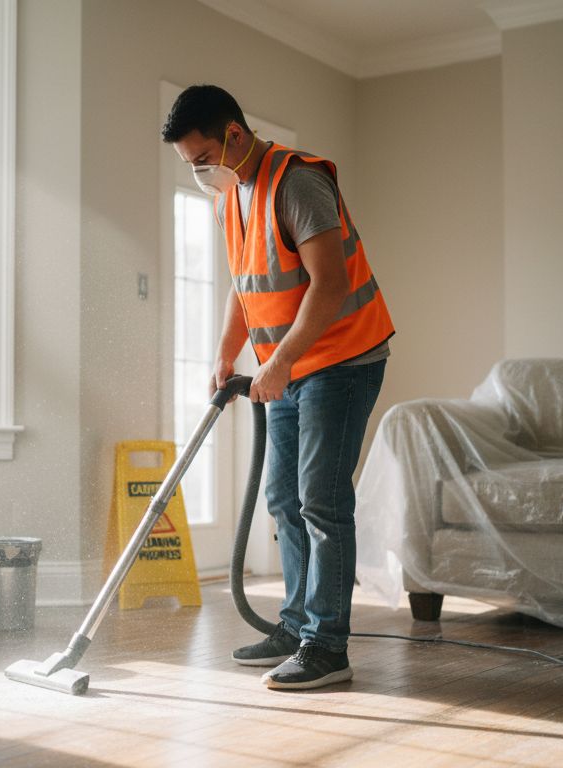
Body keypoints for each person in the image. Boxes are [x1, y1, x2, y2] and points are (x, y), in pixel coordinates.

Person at [161, 85, 395, 690]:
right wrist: (225, 355)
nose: (199, 170)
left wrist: (281, 361)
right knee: (283, 499)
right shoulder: (230, 196)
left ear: (234, 135)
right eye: (191, 163)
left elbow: (331, 285)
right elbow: (247, 285)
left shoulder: (297, 182)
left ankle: (327, 645)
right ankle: (295, 626)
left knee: (320, 499)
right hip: (289, 365)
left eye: (203, 157)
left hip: (342, 359)